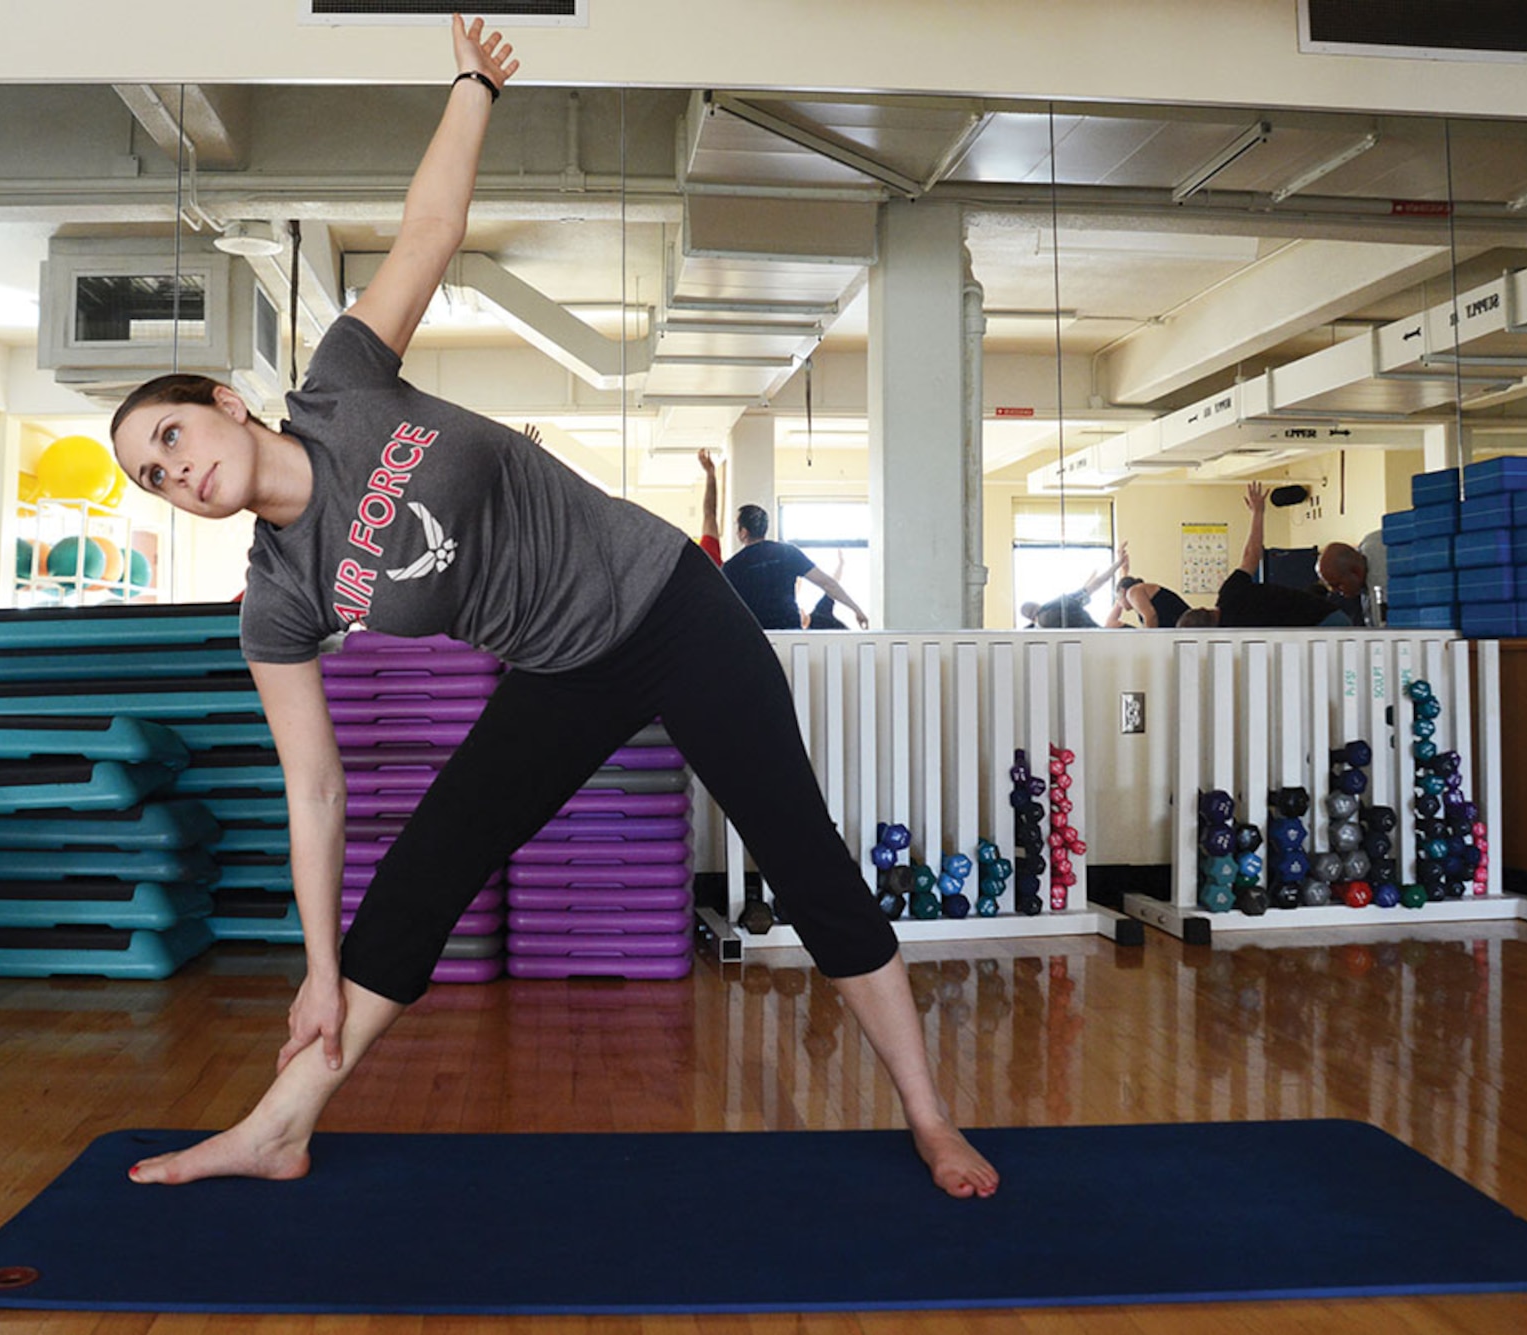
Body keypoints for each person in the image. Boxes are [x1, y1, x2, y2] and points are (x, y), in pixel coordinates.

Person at [107, 16, 995, 1201]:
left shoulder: (342, 384)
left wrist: (472, 84)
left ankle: (931, 1122)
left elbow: (429, 230)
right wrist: (318, 965)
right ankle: (277, 1126)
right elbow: (313, 785)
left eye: (172, 435)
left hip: (670, 607)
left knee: (802, 856)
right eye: (153, 477)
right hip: (559, 672)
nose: (176, 471)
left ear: (225, 401)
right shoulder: (275, 600)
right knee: (426, 866)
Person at [1174, 482, 1353, 629]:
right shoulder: (1229, 594)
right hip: (1326, 615)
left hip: (1322, 623)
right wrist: (1258, 513)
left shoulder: (1234, 630)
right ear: (1204, 609)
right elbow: (1252, 554)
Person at [721, 503, 871, 630]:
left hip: (757, 638)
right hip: (790, 632)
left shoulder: (732, 566)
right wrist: (857, 610)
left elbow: (724, 608)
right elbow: (826, 583)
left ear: (743, 532)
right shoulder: (787, 553)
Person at [1019, 546, 1127, 629]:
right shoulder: (1058, 604)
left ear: (1031, 620)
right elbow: (1096, 584)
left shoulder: (1039, 629)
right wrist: (1119, 563)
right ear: (1038, 604)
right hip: (1095, 637)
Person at [1108, 549, 1192, 629]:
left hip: (1189, 626)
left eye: (1117, 599)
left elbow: (1151, 617)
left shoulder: (1133, 591)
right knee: (1112, 624)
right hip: (1177, 628)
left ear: (1123, 591)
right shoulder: (1138, 594)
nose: (1119, 604)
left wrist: (1146, 642)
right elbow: (1110, 623)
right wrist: (1124, 572)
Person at [1316, 540, 1370, 626]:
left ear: (1357, 572)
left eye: (1338, 584)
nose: (1335, 591)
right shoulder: (1340, 602)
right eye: (1330, 586)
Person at [695, 448, 724, 567]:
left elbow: (710, 514)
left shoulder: (708, 559)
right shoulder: (710, 560)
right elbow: (710, 513)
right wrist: (710, 474)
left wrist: (710, 474)